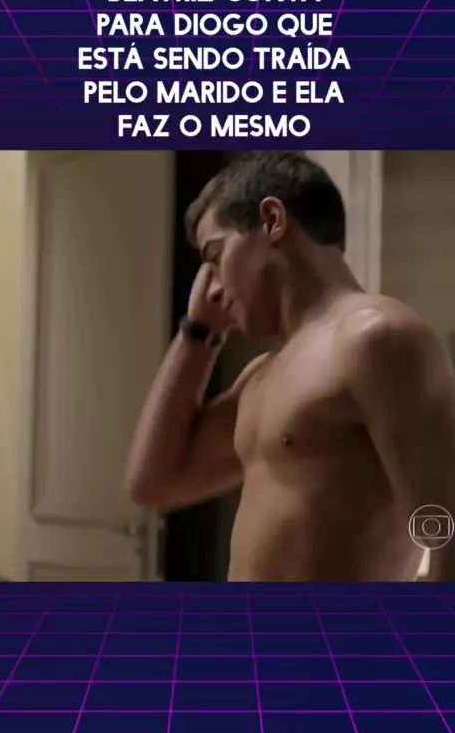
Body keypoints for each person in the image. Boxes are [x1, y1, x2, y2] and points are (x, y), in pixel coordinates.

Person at [123, 151, 455, 581]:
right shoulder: (260, 376)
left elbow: (444, 527)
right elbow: (153, 484)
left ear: (272, 221)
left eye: (215, 256)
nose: (212, 288)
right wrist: (198, 331)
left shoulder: (377, 339)